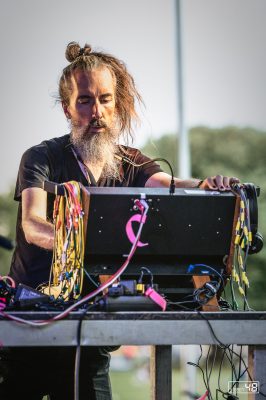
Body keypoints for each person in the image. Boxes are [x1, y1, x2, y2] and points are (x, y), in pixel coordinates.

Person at [1, 42, 239, 399]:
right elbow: (32, 224)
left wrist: (206, 185)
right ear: (67, 108)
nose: (96, 111)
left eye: (105, 99)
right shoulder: (41, 157)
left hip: (92, 334)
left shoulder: (132, 162)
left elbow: (169, 185)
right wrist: (79, 240)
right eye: (84, 100)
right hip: (30, 328)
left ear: (116, 104)